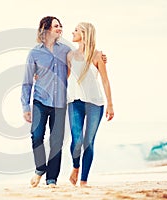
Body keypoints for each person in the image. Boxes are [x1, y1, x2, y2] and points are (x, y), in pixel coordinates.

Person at [21, 16, 71, 187]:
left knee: (56, 142)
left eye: (60, 26)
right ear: (47, 29)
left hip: (59, 103)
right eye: (56, 26)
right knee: (36, 137)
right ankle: (40, 168)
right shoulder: (34, 53)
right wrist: (25, 106)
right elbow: (27, 81)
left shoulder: (65, 50)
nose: (60, 28)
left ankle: (52, 180)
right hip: (40, 101)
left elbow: (79, 63)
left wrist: (100, 58)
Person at [66, 22, 114, 187]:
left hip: (95, 103)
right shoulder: (70, 55)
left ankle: (84, 181)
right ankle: (75, 167)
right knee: (77, 140)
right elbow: (63, 78)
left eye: (76, 30)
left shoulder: (97, 55)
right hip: (75, 103)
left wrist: (110, 105)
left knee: (89, 142)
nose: (73, 32)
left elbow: (105, 82)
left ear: (84, 34)